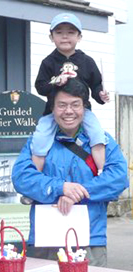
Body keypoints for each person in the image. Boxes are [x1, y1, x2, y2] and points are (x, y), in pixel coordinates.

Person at [12, 78, 128, 267]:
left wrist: (78, 192)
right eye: (62, 105)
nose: (68, 111)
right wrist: (60, 188)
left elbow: (118, 177)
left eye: (75, 105)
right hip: (46, 238)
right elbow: (22, 177)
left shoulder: (101, 141)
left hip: (90, 239)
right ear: (52, 108)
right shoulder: (38, 141)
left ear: (85, 107)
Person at [32, 12, 110, 175]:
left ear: (79, 37)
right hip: (54, 112)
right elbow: (40, 86)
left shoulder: (87, 61)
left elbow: (96, 86)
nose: (65, 37)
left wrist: (101, 95)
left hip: (83, 111)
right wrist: (55, 82)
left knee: (97, 134)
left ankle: (102, 172)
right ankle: (35, 176)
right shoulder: (48, 62)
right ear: (51, 37)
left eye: (70, 32)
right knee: (39, 139)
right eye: (59, 32)